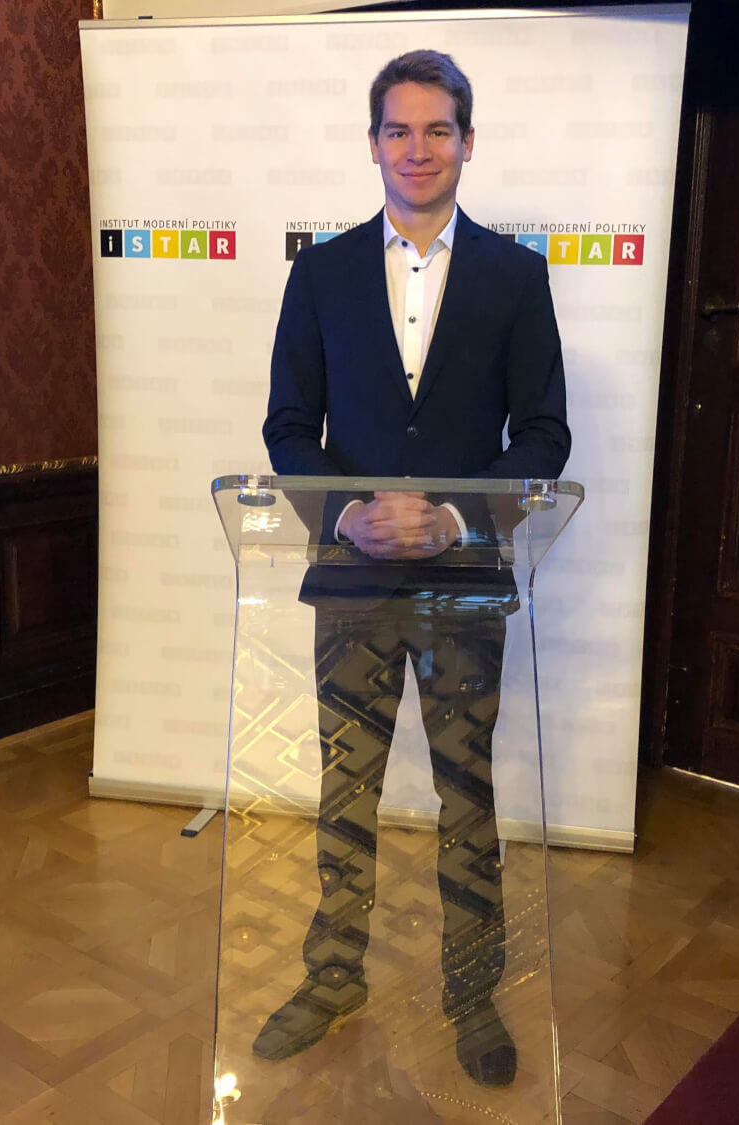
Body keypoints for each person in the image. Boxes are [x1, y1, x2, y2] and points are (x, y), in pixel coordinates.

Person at [258, 48, 570, 1089]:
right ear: (373, 143)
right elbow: (289, 425)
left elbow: (544, 434)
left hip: (463, 580)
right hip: (350, 580)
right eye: (400, 129)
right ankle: (332, 977)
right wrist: (348, 513)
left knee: (465, 793)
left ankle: (472, 992)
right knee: (343, 788)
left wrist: (453, 514)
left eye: (439, 129)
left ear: (468, 143)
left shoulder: (516, 278)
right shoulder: (321, 272)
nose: (418, 148)